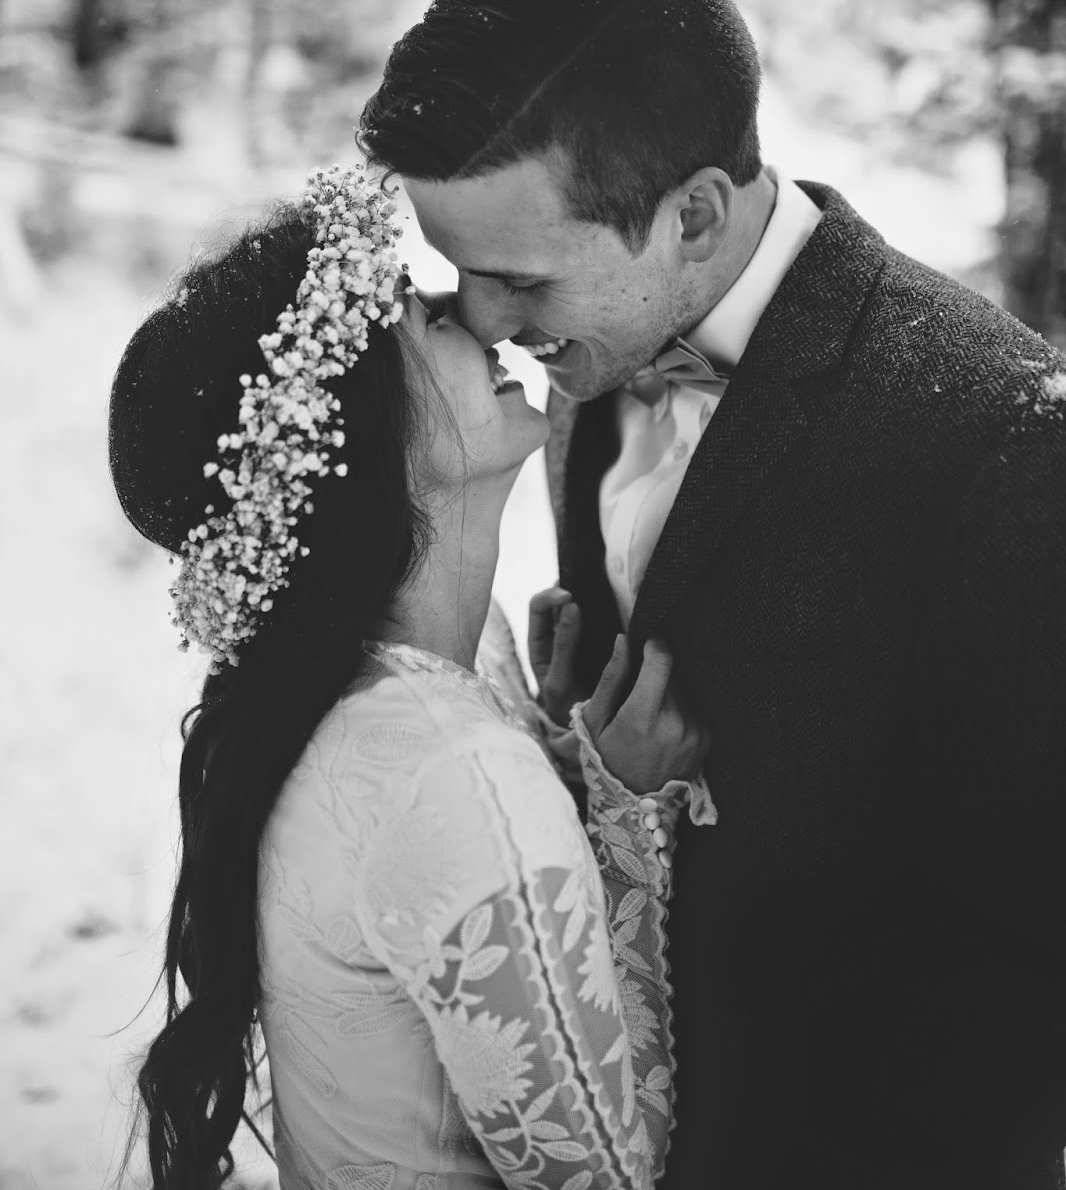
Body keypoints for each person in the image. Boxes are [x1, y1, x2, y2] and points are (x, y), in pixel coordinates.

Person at [360, 0, 1066, 1190]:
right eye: (462, 269)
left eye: (522, 279)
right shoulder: (587, 360)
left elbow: (1027, 958)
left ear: (691, 216)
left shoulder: (998, 443)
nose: (483, 321)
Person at [108, 166, 715, 1190]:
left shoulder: (367, 696)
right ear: (356, 435)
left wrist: (555, 751)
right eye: (421, 317)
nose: (471, 316)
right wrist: (628, 822)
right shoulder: (452, 770)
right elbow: (610, 1176)